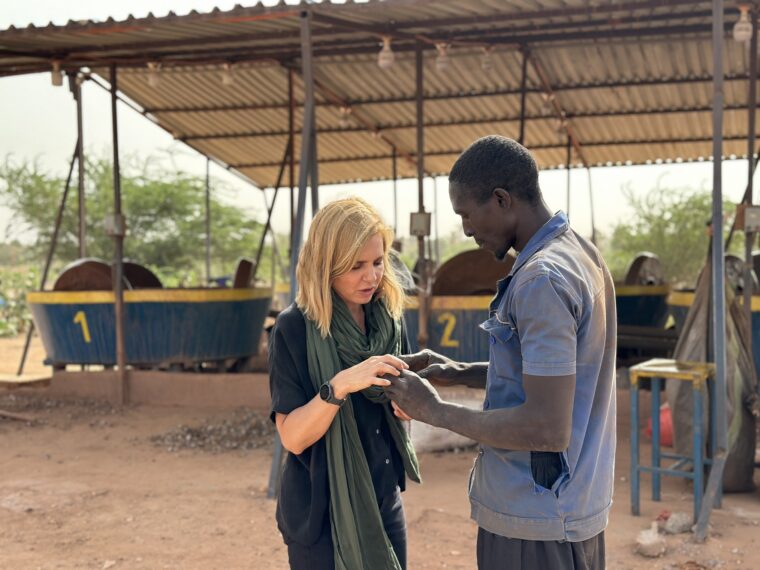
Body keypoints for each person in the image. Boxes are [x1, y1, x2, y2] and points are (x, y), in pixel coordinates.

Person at [387, 136, 616, 570]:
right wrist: (458, 370)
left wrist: (433, 409)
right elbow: (556, 376)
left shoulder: (540, 280)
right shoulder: (579, 254)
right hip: (575, 508)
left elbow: (547, 427)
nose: (467, 229)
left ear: (501, 199)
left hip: (535, 520)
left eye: (467, 214)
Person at [268, 197, 420, 570]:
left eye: (378, 261)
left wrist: (407, 408)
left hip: (383, 500)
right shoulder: (294, 328)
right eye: (356, 266)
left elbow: (401, 416)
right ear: (326, 266)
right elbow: (292, 437)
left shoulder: (389, 320)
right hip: (320, 514)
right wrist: (339, 386)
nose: (372, 277)